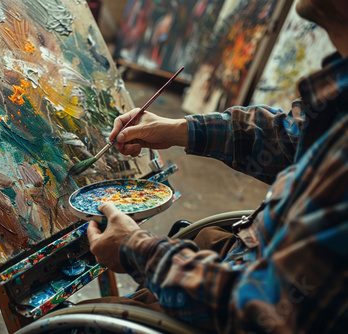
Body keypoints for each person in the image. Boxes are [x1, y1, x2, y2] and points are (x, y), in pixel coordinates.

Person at [85, 1, 348, 332]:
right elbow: (288, 137)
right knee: (206, 236)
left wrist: (136, 250)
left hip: (243, 303)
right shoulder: (338, 95)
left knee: (86, 320)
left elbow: (262, 312)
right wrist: (178, 129)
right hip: (252, 257)